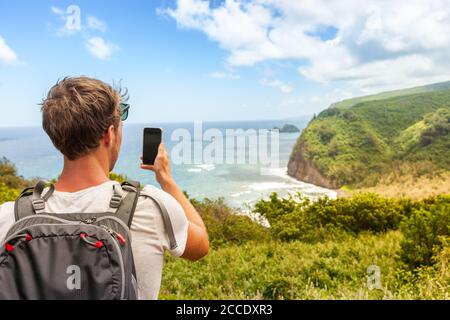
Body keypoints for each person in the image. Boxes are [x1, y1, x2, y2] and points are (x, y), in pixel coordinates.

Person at [0, 76, 209, 299]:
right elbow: (200, 246)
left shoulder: (10, 216)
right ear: (110, 133)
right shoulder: (148, 207)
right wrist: (166, 179)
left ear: (56, 136)